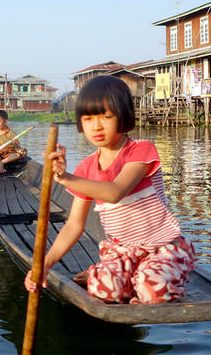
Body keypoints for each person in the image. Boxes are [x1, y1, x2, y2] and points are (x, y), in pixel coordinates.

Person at [24, 76, 196, 304]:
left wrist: (65, 177)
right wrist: (44, 264)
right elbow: (74, 224)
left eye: (106, 117)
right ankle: (110, 274)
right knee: (103, 290)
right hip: (122, 252)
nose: (96, 126)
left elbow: (115, 192)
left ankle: (143, 276)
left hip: (162, 247)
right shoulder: (86, 168)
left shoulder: (141, 151)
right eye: (88, 119)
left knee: (153, 293)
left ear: (122, 117)